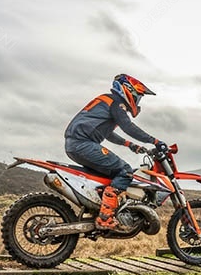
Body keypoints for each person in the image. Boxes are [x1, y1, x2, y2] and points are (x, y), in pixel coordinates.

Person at [64, 74, 167, 230]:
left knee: (107, 176)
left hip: (75, 144)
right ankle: (105, 218)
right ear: (128, 90)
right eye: (138, 96)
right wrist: (155, 141)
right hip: (83, 144)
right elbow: (128, 127)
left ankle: (98, 209)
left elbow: (107, 133)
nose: (138, 100)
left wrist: (130, 145)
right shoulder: (116, 103)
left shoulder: (108, 101)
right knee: (125, 171)